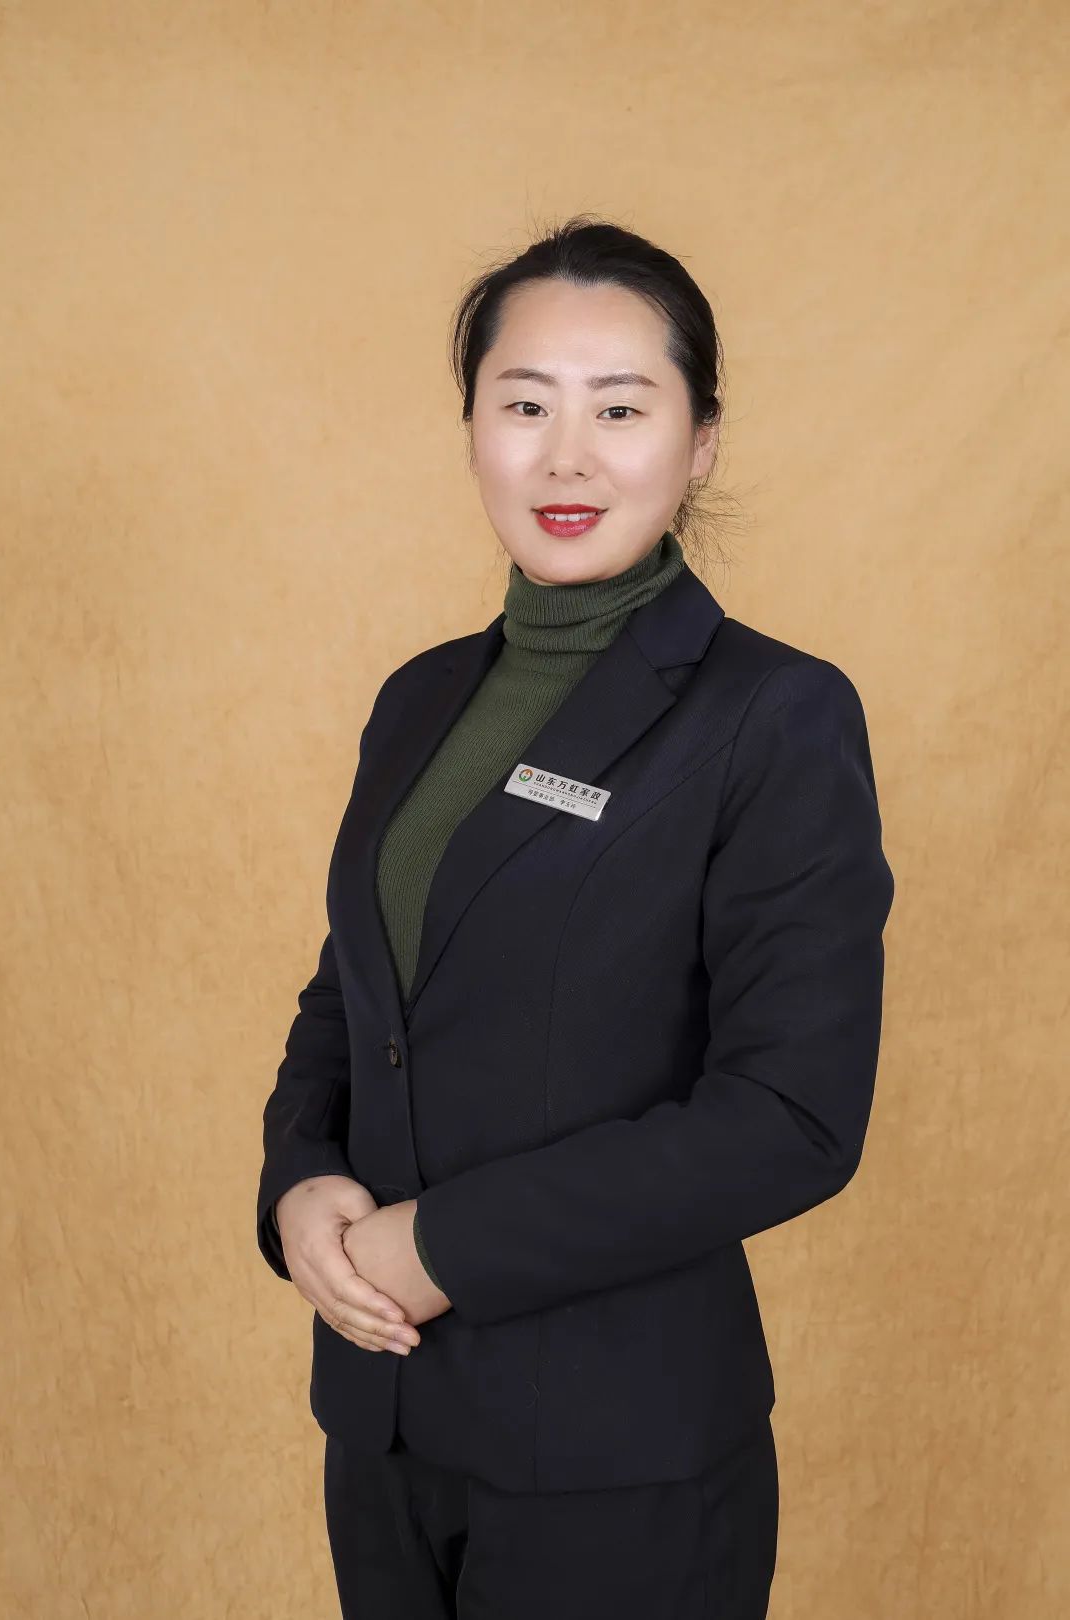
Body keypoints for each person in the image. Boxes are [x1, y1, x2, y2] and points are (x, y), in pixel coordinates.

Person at [255, 214, 895, 1618]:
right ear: (471, 429)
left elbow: (792, 1115)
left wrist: (441, 1248)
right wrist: (297, 1182)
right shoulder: (421, 698)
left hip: (622, 1459)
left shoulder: (774, 715)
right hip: (385, 1427)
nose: (566, 458)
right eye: (524, 404)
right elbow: (353, 995)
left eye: (620, 408)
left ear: (700, 441)